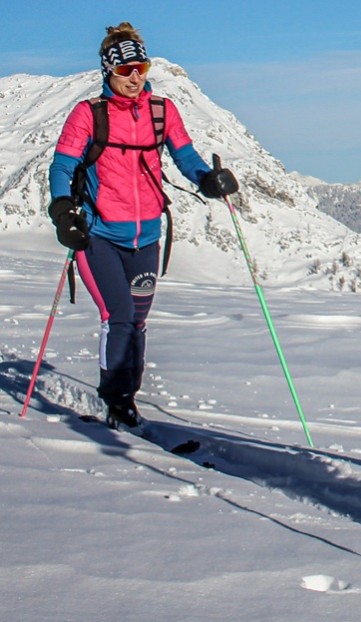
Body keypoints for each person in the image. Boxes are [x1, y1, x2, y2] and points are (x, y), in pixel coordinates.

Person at [48, 22, 239, 430]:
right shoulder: (89, 114)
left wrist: (207, 180)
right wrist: (63, 212)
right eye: (125, 70)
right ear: (108, 71)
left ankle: (128, 398)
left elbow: (185, 156)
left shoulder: (162, 111)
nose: (134, 78)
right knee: (117, 317)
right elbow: (63, 166)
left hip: (147, 237)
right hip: (99, 236)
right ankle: (116, 401)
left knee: (137, 321)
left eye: (141, 68)